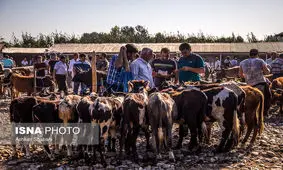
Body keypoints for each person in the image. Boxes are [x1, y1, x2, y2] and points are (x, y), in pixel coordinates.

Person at [239, 49, 271, 116]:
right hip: (260, 83)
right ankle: (265, 112)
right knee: (268, 96)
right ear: (257, 54)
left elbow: (240, 75)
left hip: (249, 85)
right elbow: (267, 72)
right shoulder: (260, 61)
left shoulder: (242, 62)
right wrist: (268, 69)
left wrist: (247, 76)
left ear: (249, 55)